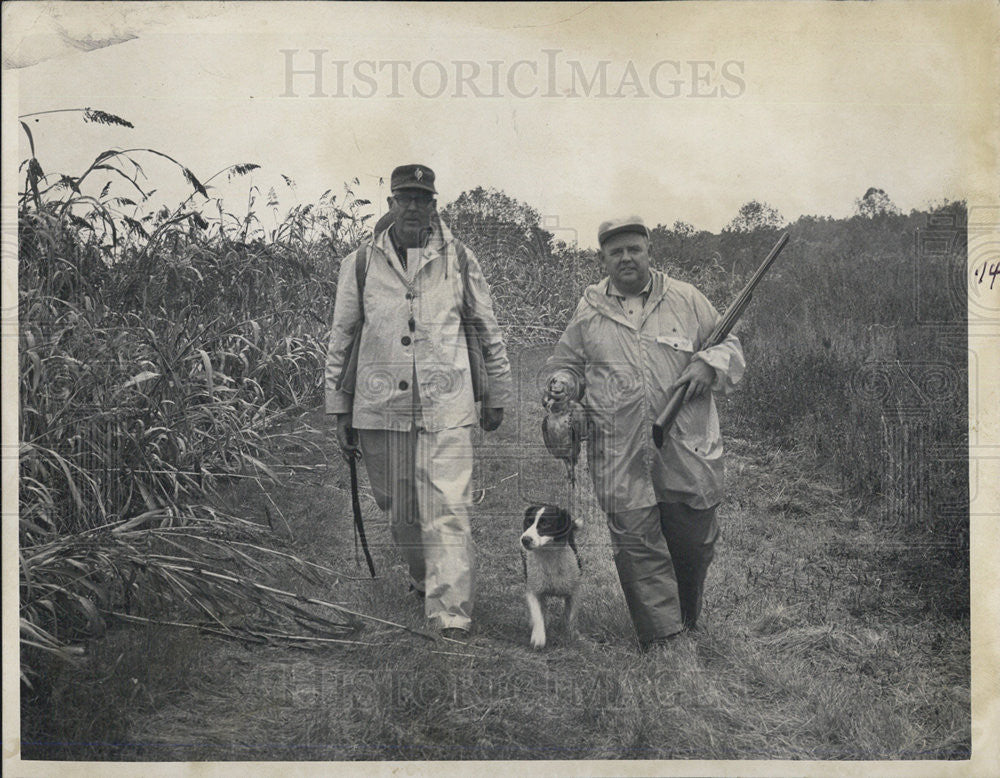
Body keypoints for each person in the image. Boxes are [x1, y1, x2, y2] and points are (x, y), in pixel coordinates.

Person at [324, 164, 512, 639]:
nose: (413, 206)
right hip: (379, 406)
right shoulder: (361, 263)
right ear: (390, 204)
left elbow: (486, 326)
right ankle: (422, 578)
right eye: (404, 197)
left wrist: (497, 391)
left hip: (447, 405)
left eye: (422, 198)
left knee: (448, 507)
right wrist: (339, 406)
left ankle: (450, 614)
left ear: (434, 205)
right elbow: (343, 335)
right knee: (401, 508)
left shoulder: (461, 259)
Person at [542, 216, 745, 650]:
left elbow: (730, 348)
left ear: (649, 251)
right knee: (637, 543)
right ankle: (664, 641)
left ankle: (686, 619)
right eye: (616, 252)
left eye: (634, 249)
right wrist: (563, 384)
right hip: (619, 449)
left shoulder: (687, 300)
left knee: (691, 543)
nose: (627, 258)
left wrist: (710, 364)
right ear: (603, 259)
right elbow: (568, 365)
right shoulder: (589, 312)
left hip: (685, 446)